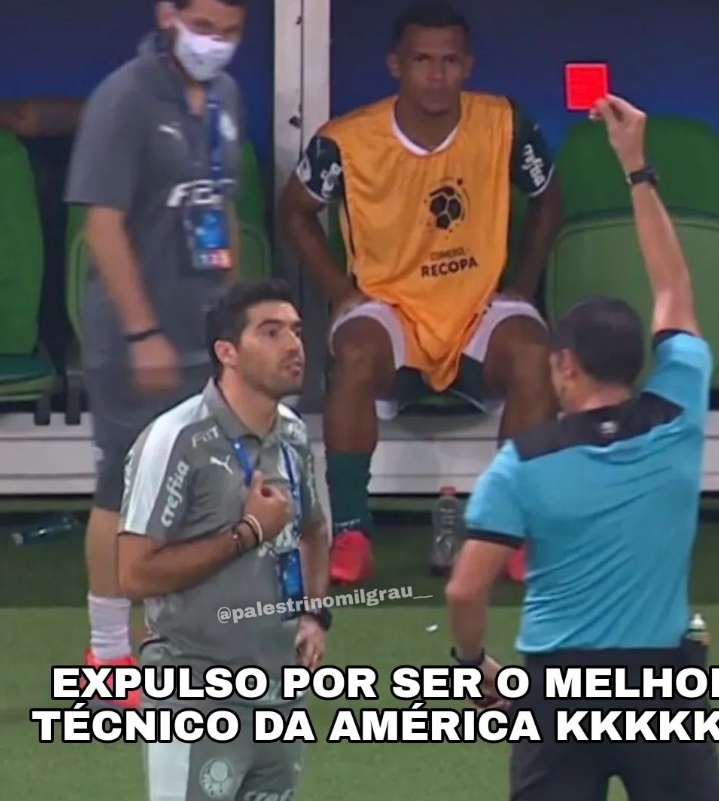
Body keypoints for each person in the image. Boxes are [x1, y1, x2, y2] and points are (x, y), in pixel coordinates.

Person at [445, 95, 719, 801]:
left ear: (566, 364)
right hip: (663, 686)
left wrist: (472, 662)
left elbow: (465, 588)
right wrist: (635, 167)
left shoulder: (522, 463)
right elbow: (673, 287)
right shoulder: (678, 413)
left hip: (556, 691)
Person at [277, 0, 561, 586]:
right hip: (390, 308)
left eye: (449, 60)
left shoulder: (505, 123)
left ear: (467, 65)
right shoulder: (346, 141)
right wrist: (339, 291)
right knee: (356, 352)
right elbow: (294, 210)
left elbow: (548, 198)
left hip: (477, 305)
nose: (436, 74)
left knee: (535, 353)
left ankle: (514, 529)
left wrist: (521, 287)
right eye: (422, 60)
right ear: (395, 65)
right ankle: (351, 531)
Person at [64, 0, 248, 709]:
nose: (216, 43)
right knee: (122, 490)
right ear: (168, 13)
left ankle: (177, 646)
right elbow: (102, 226)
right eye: (205, 26)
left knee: (200, 490)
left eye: (231, 32)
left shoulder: (226, 96)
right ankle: (108, 654)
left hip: (206, 331)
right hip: (133, 338)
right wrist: (143, 333)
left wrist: (234, 314)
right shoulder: (124, 98)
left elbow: (222, 206)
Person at [118, 278, 330, 801]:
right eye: (271, 332)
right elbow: (134, 572)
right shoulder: (175, 441)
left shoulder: (292, 434)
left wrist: (315, 614)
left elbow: (314, 529)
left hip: (280, 694)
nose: (293, 345)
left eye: (296, 331)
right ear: (226, 352)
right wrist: (248, 533)